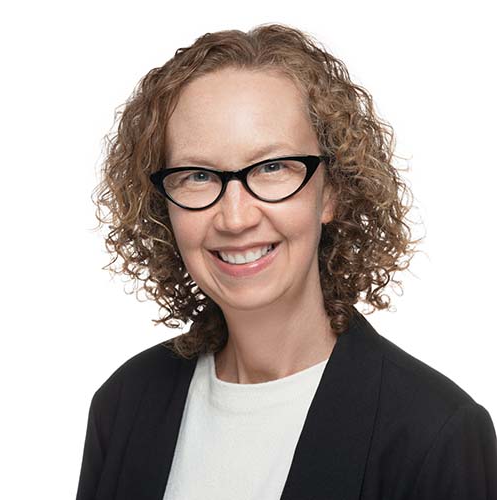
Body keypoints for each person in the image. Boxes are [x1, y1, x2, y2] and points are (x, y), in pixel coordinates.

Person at [76, 23, 497, 500]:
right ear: (163, 207)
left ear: (331, 192)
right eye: (197, 175)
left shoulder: (435, 434)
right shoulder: (124, 404)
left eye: (273, 167)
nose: (235, 217)